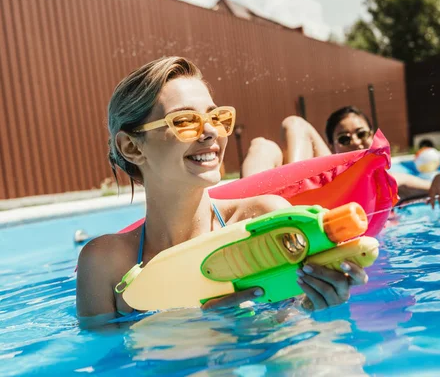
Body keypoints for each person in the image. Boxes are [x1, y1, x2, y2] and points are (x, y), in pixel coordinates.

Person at [76, 57, 368, 328]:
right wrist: (198, 328)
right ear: (131, 146)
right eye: (184, 121)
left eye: (217, 117)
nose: (211, 131)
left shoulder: (264, 220)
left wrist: (317, 304)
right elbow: (104, 360)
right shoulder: (105, 264)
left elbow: (295, 330)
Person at [242, 106, 440, 208]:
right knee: (261, 146)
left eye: (362, 134)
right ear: (333, 147)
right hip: (318, 192)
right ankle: (254, 203)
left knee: (291, 125)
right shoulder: (329, 176)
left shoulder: (385, 181)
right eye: (344, 139)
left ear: (372, 136)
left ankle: (280, 194)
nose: (355, 141)